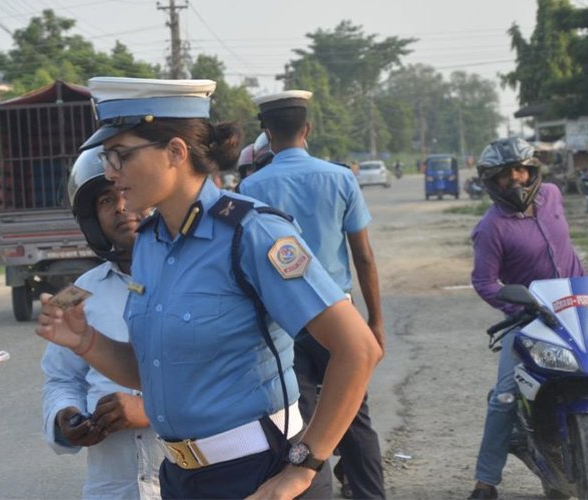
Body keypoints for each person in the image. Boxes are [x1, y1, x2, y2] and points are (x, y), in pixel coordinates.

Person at [36, 76, 382, 500]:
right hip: (182, 478)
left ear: (176, 152)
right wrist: (87, 341)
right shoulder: (149, 243)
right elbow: (158, 368)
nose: (110, 172)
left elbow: (359, 350)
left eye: (120, 155)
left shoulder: (253, 233)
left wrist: (303, 467)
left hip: (259, 474)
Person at [238, 90, 386, 500]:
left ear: (267, 132)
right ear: (308, 129)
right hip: (342, 317)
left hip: (284, 323)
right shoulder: (340, 177)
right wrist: (374, 322)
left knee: (298, 422)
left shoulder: (251, 185)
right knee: (354, 417)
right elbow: (364, 257)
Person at [41, 146, 164, 499]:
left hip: (188, 481)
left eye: (126, 193)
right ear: (92, 218)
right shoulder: (75, 294)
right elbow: (60, 377)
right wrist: (66, 416)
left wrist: (150, 411)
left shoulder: (196, 279)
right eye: (106, 200)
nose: (121, 208)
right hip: (113, 487)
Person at [468, 137, 586, 499]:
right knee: (504, 396)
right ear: (492, 180)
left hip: (579, 307)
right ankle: (485, 481)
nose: (516, 178)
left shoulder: (552, 195)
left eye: (521, 169)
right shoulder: (491, 227)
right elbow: (484, 281)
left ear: (533, 171)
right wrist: (520, 308)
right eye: (506, 174)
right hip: (530, 317)